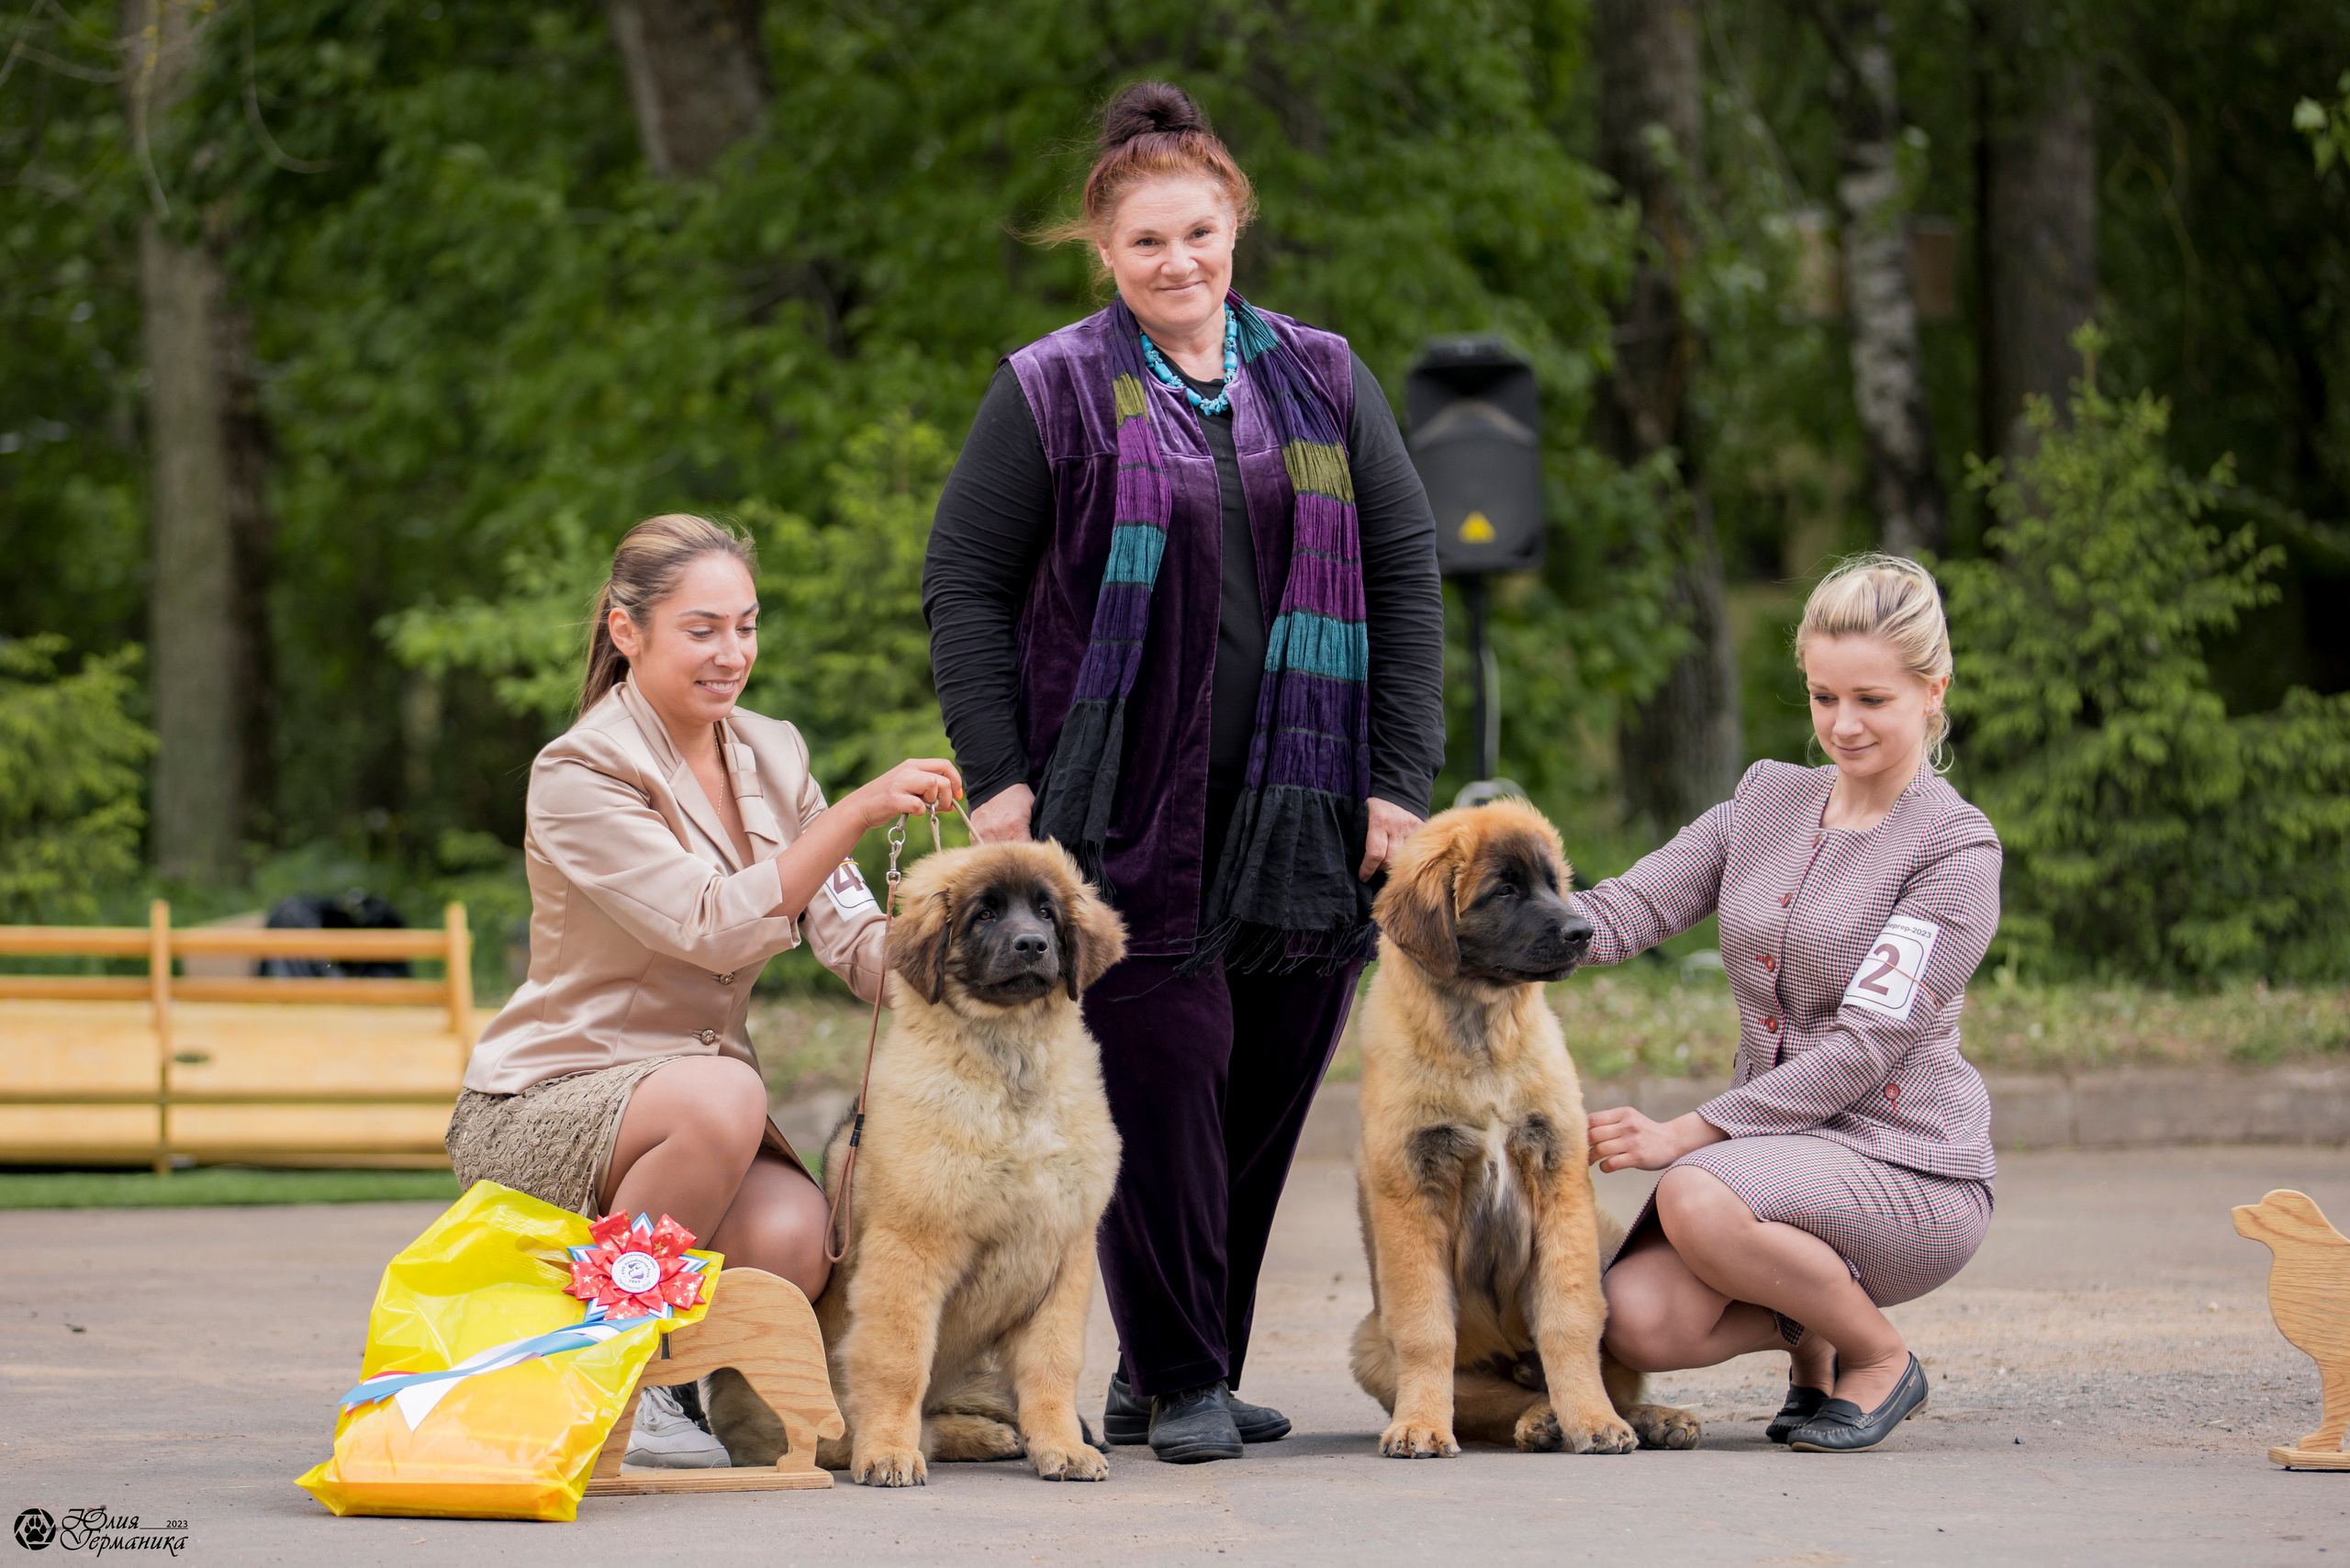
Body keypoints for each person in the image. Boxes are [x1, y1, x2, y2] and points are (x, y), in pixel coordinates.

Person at [923, 83, 1446, 1463]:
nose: (1178, 262)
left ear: (1236, 229)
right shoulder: (1048, 389)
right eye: (1147, 241)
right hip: (1119, 811)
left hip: (1305, 809)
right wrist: (999, 781)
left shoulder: (1322, 375)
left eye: (1199, 234)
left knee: (1260, 1094)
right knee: (1164, 1087)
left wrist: (1398, 784)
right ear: (1103, 248)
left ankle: (1173, 1368)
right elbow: (965, 584)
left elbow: (1404, 575)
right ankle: (1184, 1372)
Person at [446, 512, 962, 1467]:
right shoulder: (580, 770)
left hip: (699, 1106)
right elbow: (709, 922)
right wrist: (853, 813)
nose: (733, 654)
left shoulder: (774, 750)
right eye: (703, 629)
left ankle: (691, 1388)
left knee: (796, 1236)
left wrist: (987, 944)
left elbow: (856, 943)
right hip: (550, 1102)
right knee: (729, 1092)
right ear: (626, 629)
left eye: (747, 626)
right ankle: (614, 1366)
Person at [1579, 553, 2001, 1453]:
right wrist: (1471, 916)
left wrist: (1686, 1132)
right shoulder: (1768, 797)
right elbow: (1627, 909)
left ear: (1933, 691)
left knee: (1693, 1192)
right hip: (1771, 1163)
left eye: (1871, 699)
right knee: (1634, 1320)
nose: (1842, 725)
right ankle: (1813, 1332)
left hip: (1908, 1169)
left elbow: (1864, 1046)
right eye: (1822, 696)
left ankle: (1879, 1357)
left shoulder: (1954, 849)